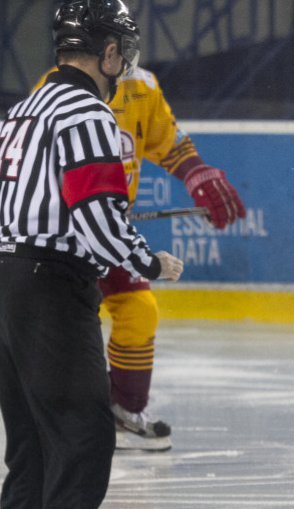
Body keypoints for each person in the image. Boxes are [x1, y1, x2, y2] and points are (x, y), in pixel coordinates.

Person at [0, 0, 184, 509]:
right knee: (82, 431)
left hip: (6, 284)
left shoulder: (23, 110)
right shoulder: (89, 115)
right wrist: (150, 262)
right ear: (107, 52)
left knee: (29, 437)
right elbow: (99, 220)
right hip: (52, 286)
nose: (124, 62)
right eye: (122, 50)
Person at [33, 25, 246, 452]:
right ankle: (53, 421)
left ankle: (124, 410)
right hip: (62, 238)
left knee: (139, 311)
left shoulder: (143, 88)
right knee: (64, 328)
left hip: (109, 231)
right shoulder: (55, 88)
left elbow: (167, 142)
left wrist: (195, 172)